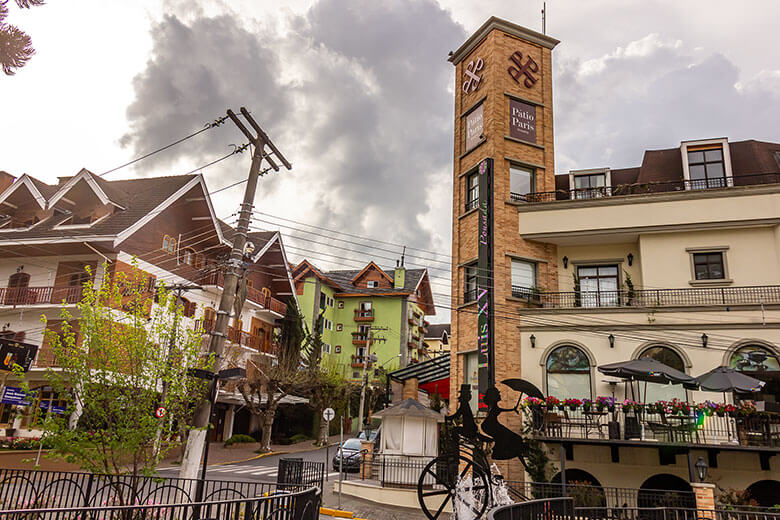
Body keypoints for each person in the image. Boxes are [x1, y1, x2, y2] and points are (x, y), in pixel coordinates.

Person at [480, 386, 530, 470]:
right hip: (489, 425)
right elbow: (500, 410)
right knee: (506, 436)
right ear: (494, 396)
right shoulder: (494, 406)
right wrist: (513, 409)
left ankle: (497, 450)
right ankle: (497, 451)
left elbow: (501, 410)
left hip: (490, 424)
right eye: (498, 394)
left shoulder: (493, 406)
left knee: (509, 436)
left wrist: (513, 409)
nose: (500, 395)